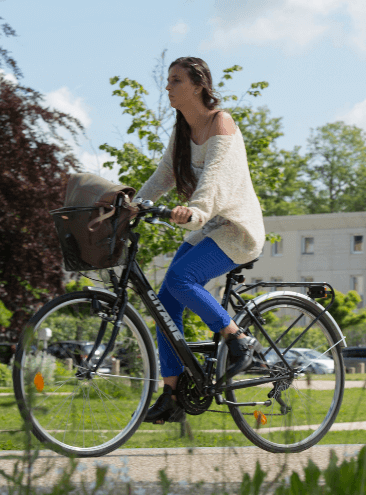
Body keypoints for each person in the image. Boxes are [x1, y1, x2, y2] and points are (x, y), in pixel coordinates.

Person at [133, 57, 265, 424]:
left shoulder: (220, 122)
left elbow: (217, 177)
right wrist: (133, 206)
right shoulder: (182, 130)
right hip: (208, 227)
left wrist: (196, 210)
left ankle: (238, 339)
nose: (168, 87)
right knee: (164, 303)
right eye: (168, 80)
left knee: (180, 279)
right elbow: (164, 176)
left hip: (237, 228)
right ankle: (173, 394)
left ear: (198, 85)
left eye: (175, 80)